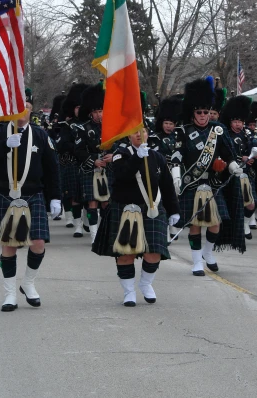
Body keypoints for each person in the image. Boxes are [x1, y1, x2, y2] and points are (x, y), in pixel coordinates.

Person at [0, 102, 61, 312]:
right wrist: (5, 144)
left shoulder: (41, 134)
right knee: (9, 245)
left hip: (33, 193)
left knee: (39, 243)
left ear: (31, 110)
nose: (22, 110)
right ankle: (10, 293)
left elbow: (52, 168)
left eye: (27, 106)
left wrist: (56, 197)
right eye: (18, 106)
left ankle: (28, 283)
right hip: (4, 193)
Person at [92, 127, 181, 306]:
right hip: (126, 210)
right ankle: (129, 291)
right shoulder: (120, 154)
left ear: (148, 134)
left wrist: (174, 211)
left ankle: (146, 283)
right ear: (129, 136)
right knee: (126, 254)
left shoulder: (157, 157)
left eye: (143, 131)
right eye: (135, 132)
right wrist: (137, 157)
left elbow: (167, 186)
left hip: (152, 209)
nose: (139, 135)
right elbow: (122, 175)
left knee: (155, 251)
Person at [171, 77, 245, 276]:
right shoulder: (183, 132)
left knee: (215, 223)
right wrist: (176, 175)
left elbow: (228, 154)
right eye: (199, 112)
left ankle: (207, 253)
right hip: (191, 182)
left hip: (212, 183)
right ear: (192, 112)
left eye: (206, 111)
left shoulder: (217, 131)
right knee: (195, 224)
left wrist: (232, 166)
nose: (203, 115)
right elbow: (177, 155)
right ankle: (196, 263)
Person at [73, 82, 113, 243]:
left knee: (106, 203)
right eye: (96, 112)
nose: (99, 115)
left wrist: (113, 155)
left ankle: (105, 232)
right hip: (91, 169)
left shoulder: (112, 128)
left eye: (101, 111)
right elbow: (78, 150)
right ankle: (94, 236)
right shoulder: (83, 128)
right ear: (91, 112)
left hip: (109, 168)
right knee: (92, 202)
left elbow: (121, 144)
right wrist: (94, 161)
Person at [219, 95, 257, 240]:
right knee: (230, 206)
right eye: (236, 121)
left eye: (241, 121)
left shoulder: (246, 135)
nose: (238, 124)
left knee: (251, 205)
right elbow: (224, 154)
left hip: (246, 175)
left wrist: (254, 155)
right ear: (230, 121)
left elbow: (252, 149)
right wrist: (240, 158)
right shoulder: (225, 135)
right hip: (229, 175)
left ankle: (246, 224)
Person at [55, 83, 90, 235]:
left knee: (89, 197)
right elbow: (63, 144)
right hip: (73, 163)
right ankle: (78, 225)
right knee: (74, 195)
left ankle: (87, 220)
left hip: (88, 163)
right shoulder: (67, 125)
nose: (79, 110)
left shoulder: (90, 125)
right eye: (76, 107)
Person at [149, 95, 182, 238]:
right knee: (162, 199)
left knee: (175, 198)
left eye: (171, 123)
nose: (169, 126)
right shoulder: (154, 138)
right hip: (161, 173)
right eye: (166, 123)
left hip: (176, 172)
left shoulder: (179, 138)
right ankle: (166, 228)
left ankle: (173, 225)